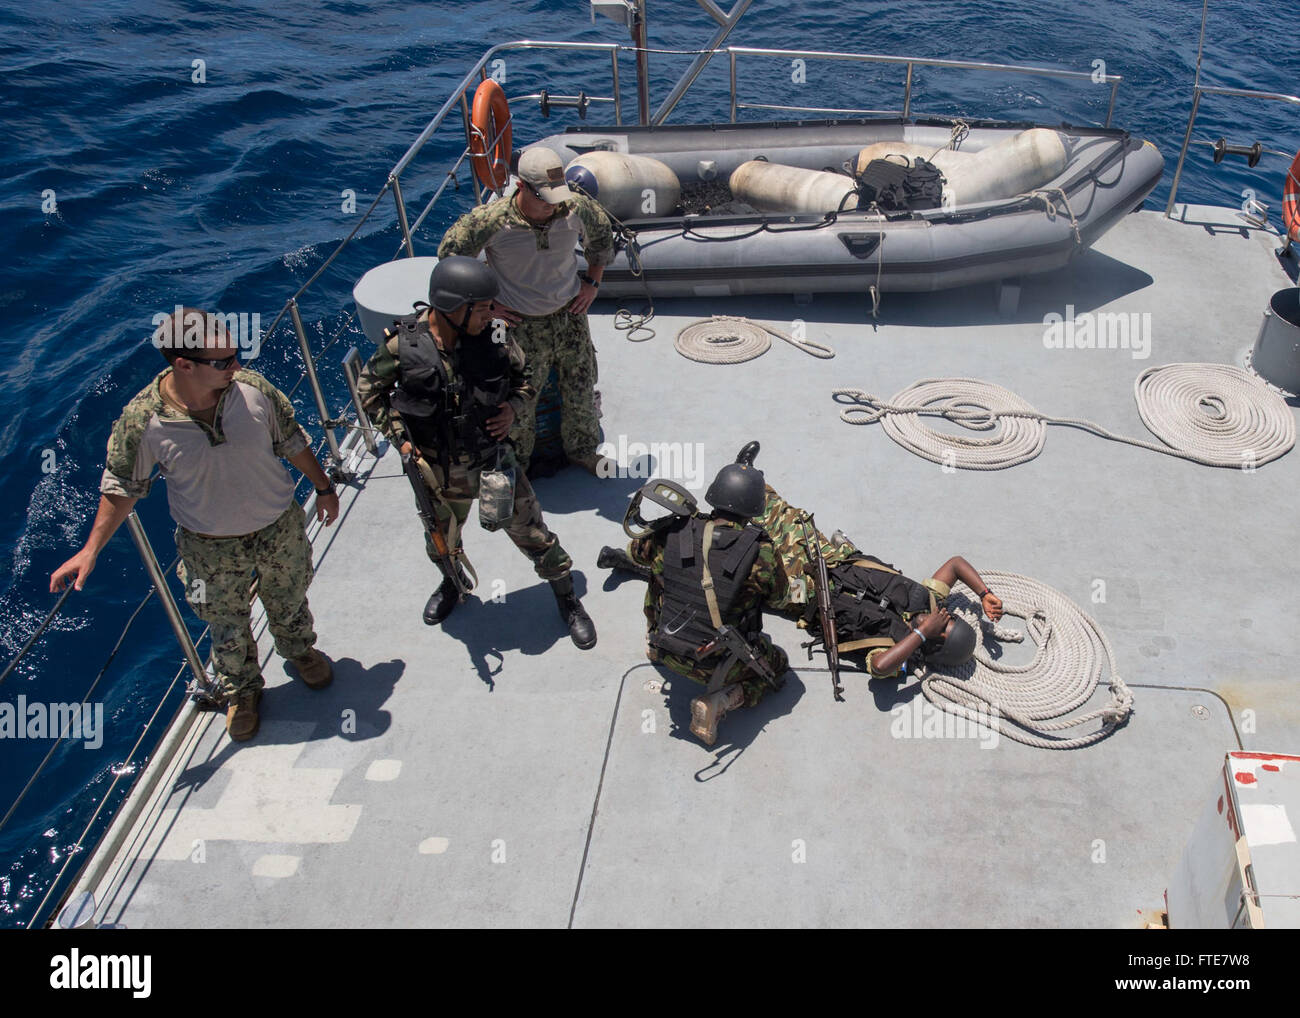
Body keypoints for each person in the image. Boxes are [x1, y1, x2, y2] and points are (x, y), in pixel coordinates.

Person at [50, 308, 338, 743]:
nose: (237, 366)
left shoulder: (253, 391)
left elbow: (291, 441)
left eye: (235, 354)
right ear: (183, 364)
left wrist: (323, 486)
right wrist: (90, 549)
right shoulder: (142, 422)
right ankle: (242, 690)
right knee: (224, 621)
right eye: (223, 362)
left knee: (290, 594)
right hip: (209, 545)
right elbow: (122, 488)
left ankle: (299, 650)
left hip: (278, 526)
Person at [602, 441, 1005, 681]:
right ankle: (746, 476)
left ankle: (650, 558)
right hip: (832, 557)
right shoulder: (930, 603)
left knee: (738, 561)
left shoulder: (896, 647)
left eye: (943, 626)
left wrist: (915, 636)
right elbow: (953, 564)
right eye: (947, 618)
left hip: (804, 593)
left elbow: (880, 669)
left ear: (933, 643)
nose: (941, 617)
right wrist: (983, 593)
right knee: (782, 513)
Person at [355, 255, 596, 648]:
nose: (491, 314)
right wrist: (400, 438)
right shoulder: (405, 344)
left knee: (533, 534)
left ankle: (567, 598)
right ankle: (452, 584)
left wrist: (512, 409)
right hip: (436, 471)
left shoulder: (497, 334)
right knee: (440, 538)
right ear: (454, 308)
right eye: (483, 308)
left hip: (492, 464)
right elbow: (370, 394)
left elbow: (525, 378)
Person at [437, 147, 614, 475]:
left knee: (580, 386)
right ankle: (517, 464)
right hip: (518, 325)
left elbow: (602, 240)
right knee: (518, 400)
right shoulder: (491, 222)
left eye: (555, 196)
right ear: (521, 187)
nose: (552, 204)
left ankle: (583, 450)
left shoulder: (576, 209)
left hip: (569, 315)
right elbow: (451, 259)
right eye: (544, 198)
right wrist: (489, 307)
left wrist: (592, 282)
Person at [622, 457, 790, 747]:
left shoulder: (673, 529)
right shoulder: (760, 551)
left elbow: (634, 553)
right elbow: (780, 597)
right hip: (711, 662)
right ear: (754, 508)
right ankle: (720, 701)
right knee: (778, 664)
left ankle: (651, 642)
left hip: (664, 645)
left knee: (658, 576)